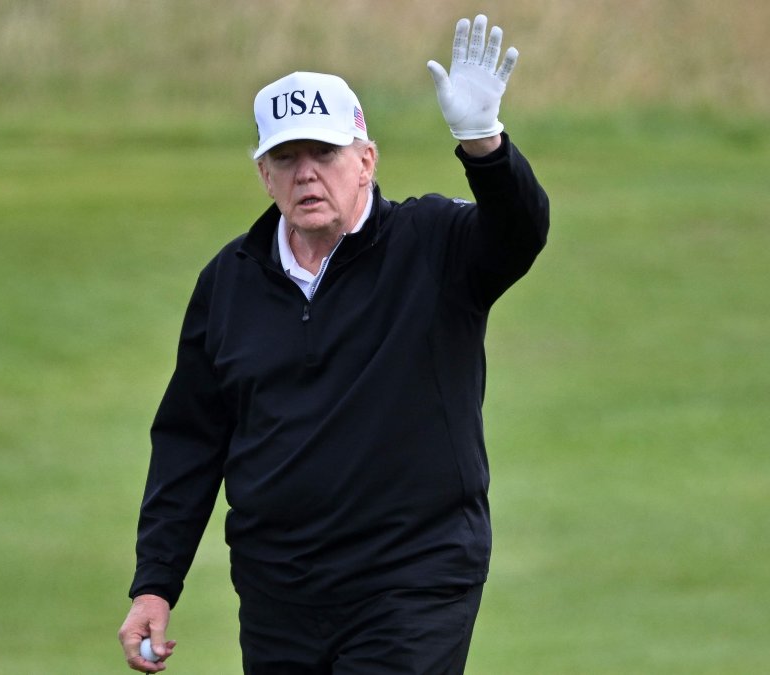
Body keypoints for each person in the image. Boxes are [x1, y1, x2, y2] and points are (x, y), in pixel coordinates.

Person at [118, 13, 549, 674]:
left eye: (324, 154)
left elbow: (519, 233)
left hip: (412, 579)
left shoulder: (433, 244)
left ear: (365, 161)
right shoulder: (230, 281)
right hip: (278, 591)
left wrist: (484, 145)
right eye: (286, 158)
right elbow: (191, 440)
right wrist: (155, 582)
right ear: (264, 175)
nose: (306, 174)